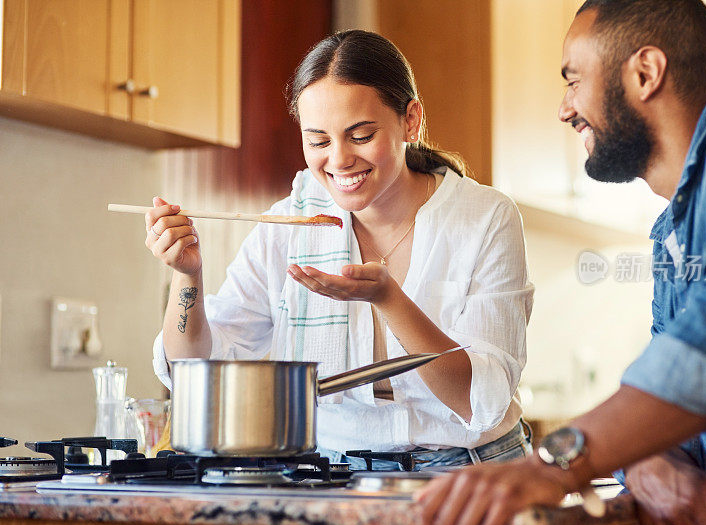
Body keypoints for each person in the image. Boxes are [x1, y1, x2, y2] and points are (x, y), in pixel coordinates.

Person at [417, 0, 706, 525]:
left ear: (645, 73)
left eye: (573, 81)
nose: (564, 109)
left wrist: (554, 464)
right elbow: (673, 412)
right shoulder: (673, 235)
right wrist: (647, 458)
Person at [145, 30, 534, 469]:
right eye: (319, 141)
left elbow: (480, 399)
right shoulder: (292, 222)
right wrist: (187, 275)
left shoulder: (485, 217)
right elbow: (198, 369)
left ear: (411, 120)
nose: (340, 160)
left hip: (470, 467)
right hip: (331, 471)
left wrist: (389, 299)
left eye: (361, 135)